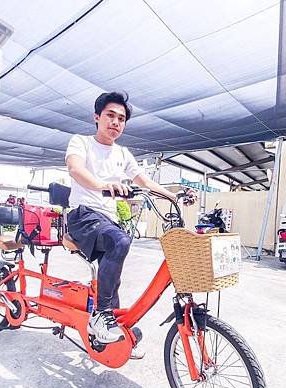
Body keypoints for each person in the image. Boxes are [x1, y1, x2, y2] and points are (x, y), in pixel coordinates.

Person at [65, 92, 195, 357]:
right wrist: (103, 185)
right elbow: (75, 169)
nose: (115, 122)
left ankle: (115, 334)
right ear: (97, 117)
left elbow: (144, 182)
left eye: (121, 119)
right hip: (82, 215)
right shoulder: (81, 142)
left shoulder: (123, 153)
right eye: (110, 115)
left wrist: (174, 195)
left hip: (106, 221)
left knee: (113, 277)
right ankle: (101, 317)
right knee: (120, 241)